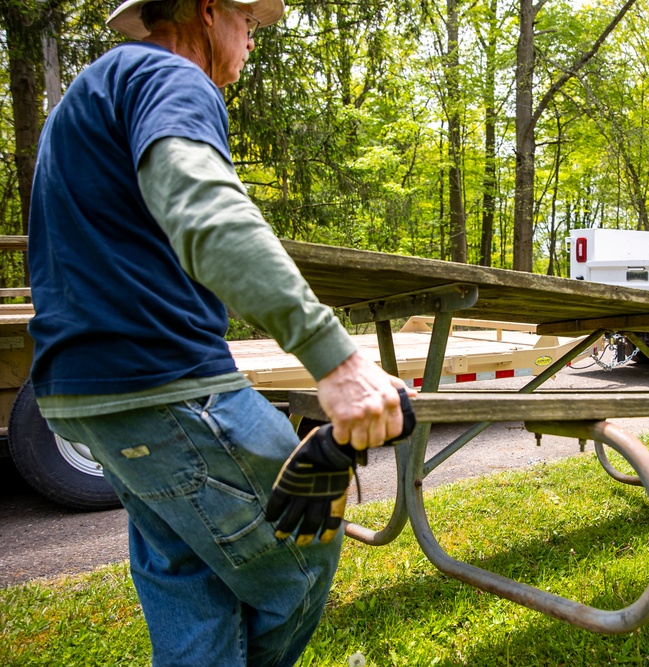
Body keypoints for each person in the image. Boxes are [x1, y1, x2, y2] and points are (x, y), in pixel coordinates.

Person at [27, 0, 413, 664]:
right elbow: (206, 210)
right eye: (251, 24)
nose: (253, 43)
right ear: (209, 13)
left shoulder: (94, 91)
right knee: (301, 555)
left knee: (192, 576)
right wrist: (338, 361)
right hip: (164, 383)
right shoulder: (170, 78)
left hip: (84, 392)